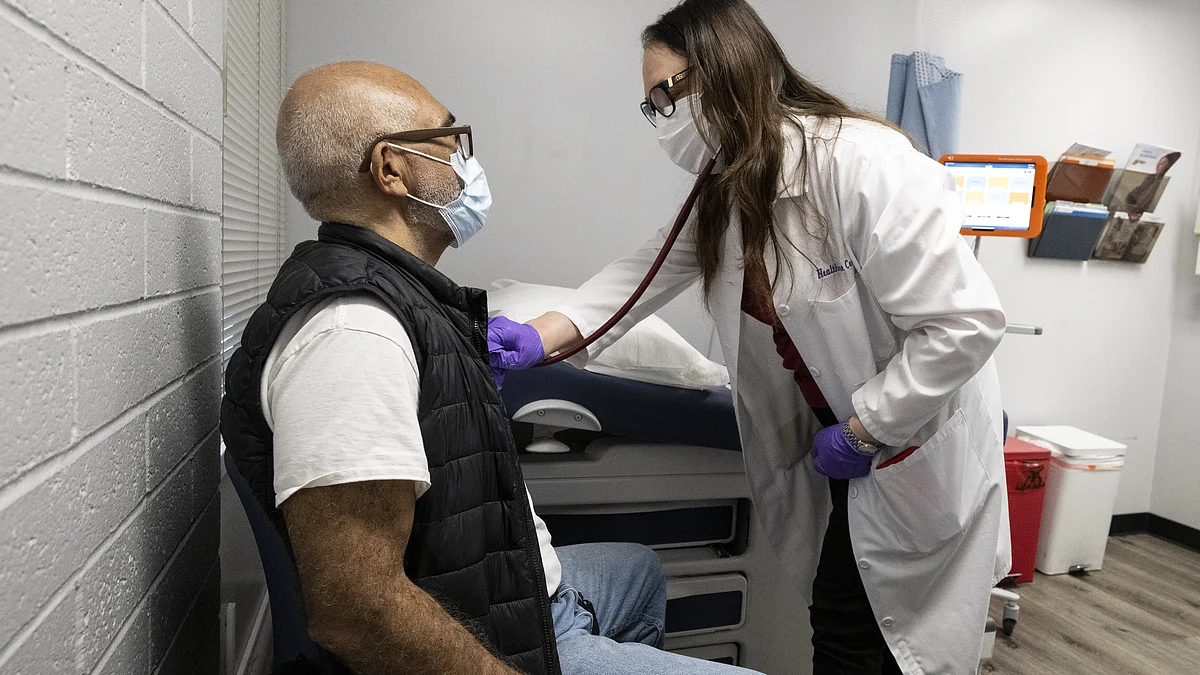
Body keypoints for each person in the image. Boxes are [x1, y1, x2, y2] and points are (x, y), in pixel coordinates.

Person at [489, 1, 1011, 673]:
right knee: (846, 628)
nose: (660, 120)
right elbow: (635, 279)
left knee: (874, 645)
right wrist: (537, 338)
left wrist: (865, 428)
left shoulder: (863, 165)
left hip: (908, 438)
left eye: (663, 96)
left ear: (725, 72)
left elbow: (965, 323)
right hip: (845, 453)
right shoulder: (726, 193)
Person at [220, 61, 762, 675]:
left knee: (636, 572)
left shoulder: (405, 294)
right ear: (390, 169)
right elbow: (356, 610)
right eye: (449, 139)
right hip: (505, 642)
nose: (464, 160)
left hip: (514, 590)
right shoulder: (355, 335)